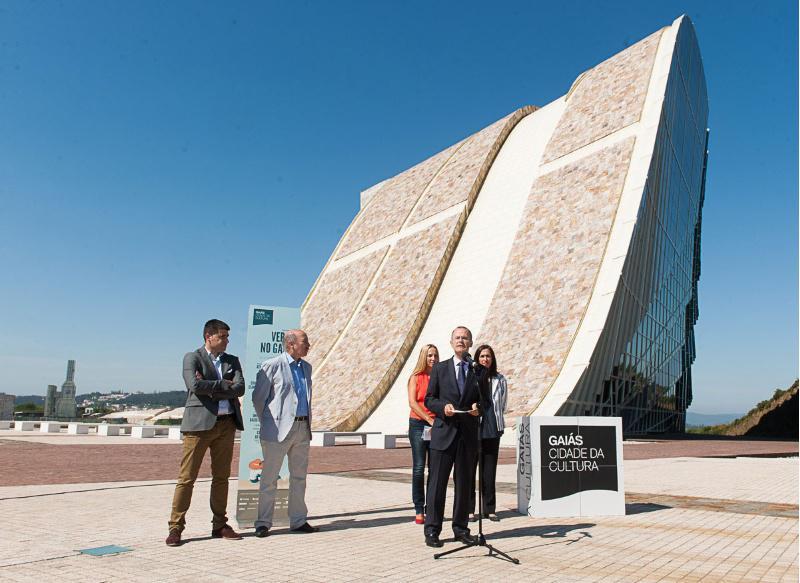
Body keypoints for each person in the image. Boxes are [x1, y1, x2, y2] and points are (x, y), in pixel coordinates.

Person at [166, 319, 245, 547]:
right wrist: (223, 385)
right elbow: (194, 386)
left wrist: (213, 386)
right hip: (198, 426)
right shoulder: (193, 358)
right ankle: (176, 526)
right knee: (187, 478)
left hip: (226, 424)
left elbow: (239, 388)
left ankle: (219, 524)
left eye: (227, 337)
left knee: (221, 478)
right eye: (223, 337)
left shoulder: (232, 360)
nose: (227, 341)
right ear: (209, 336)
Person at [252, 329, 319, 537]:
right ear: (291, 344)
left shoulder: (306, 368)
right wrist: (270, 422)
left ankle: (298, 520)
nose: (308, 345)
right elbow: (258, 399)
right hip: (277, 431)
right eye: (304, 342)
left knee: (299, 477)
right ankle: (263, 522)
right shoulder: (272, 365)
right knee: (269, 478)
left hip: (302, 428)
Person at [423, 326, 482, 548]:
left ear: (470, 343)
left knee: (464, 484)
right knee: (437, 483)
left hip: (467, 435)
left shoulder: (477, 371)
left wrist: (478, 408)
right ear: (451, 342)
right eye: (457, 338)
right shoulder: (440, 369)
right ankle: (432, 529)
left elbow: (484, 402)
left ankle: (461, 528)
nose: (461, 341)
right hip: (444, 433)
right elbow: (429, 399)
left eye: (465, 338)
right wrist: (442, 407)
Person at [469, 344, 508, 522]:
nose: (485, 359)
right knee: (470, 471)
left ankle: (489, 508)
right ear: (477, 358)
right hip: (474, 427)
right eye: (482, 356)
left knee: (489, 470)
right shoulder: (472, 377)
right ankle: (469, 509)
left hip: (492, 427)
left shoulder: (500, 379)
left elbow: (503, 403)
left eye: (488, 356)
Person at [407, 344, 439, 524]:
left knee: (434, 468)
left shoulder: (439, 376)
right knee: (419, 467)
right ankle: (419, 508)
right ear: (423, 358)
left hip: (436, 425)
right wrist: (428, 419)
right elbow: (413, 403)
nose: (433, 359)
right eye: (429, 356)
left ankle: (432, 508)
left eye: (435, 355)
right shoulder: (416, 377)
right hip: (419, 425)